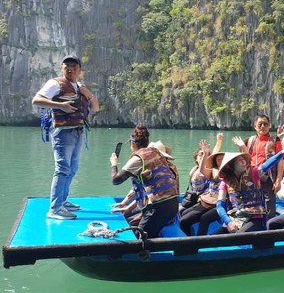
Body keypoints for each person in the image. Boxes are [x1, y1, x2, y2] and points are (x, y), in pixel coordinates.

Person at [32, 55, 99, 220]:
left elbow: (95, 108)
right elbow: (37, 100)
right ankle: (55, 208)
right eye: (67, 66)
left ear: (79, 69)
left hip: (77, 131)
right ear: (61, 68)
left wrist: (87, 93)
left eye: (74, 66)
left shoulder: (79, 87)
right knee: (62, 169)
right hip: (63, 133)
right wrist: (60, 105)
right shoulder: (55, 83)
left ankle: (62, 200)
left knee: (72, 168)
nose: (70, 69)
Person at [109, 125, 179, 239]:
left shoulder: (137, 159)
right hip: (172, 204)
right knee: (135, 225)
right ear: (148, 142)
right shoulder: (157, 153)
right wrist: (126, 204)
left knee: (139, 238)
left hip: (157, 208)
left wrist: (114, 164)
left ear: (132, 144)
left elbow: (115, 180)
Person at [214, 145, 284, 234]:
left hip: (255, 218)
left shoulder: (254, 173)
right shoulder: (226, 181)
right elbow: (220, 205)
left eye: (244, 159)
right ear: (232, 165)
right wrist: (228, 222)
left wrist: (281, 153)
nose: (243, 162)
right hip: (235, 217)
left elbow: (266, 165)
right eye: (239, 160)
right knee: (213, 238)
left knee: (236, 237)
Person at [237, 115, 283, 219]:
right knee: (251, 201)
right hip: (252, 176)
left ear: (269, 126)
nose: (263, 126)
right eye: (260, 124)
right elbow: (245, 157)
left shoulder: (275, 140)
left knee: (269, 202)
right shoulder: (251, 140)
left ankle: (269, 226)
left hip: (268, 176)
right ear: (255, 126)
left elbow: (280, 160)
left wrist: (278, 180)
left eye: (265, 124)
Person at [180, 134, 224, 236]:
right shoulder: (208, 170)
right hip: (207, 200)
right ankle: (189, 237)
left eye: (222, 159)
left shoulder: (226, 171)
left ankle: (198, 242)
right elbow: (204, 167)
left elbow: (214, 153)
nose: (220, 161)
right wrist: (206, 153)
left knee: (202, 219)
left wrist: (218, 141)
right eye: (218, 160)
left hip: (218, 202)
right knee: (183, 215)